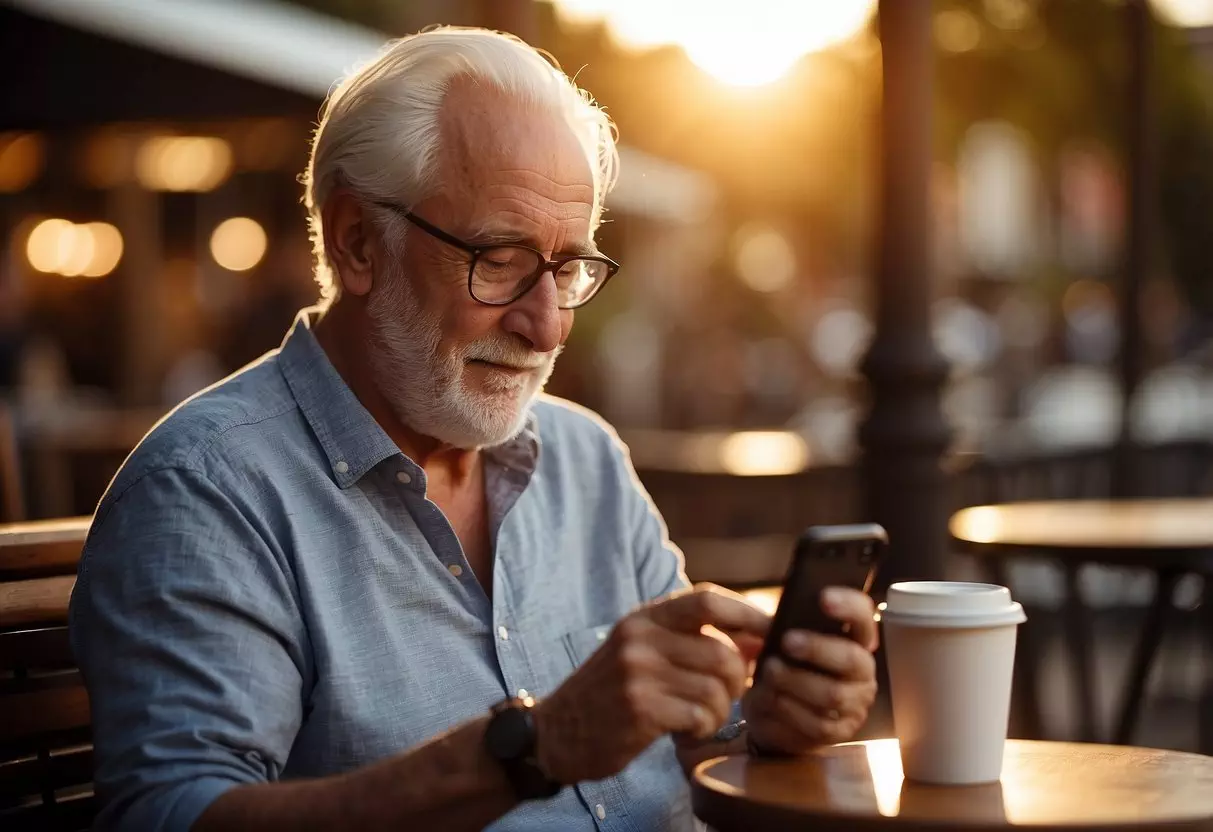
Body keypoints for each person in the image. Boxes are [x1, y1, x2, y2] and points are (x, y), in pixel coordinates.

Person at [70, 27, 879, 832]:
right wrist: (532, 747)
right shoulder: (207, 492)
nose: (549, 326)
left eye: (568, 269)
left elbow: (692, 744)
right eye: (499, 259)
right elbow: (171, 818)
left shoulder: (584, 457)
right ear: (357, 242)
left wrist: (764, 725)